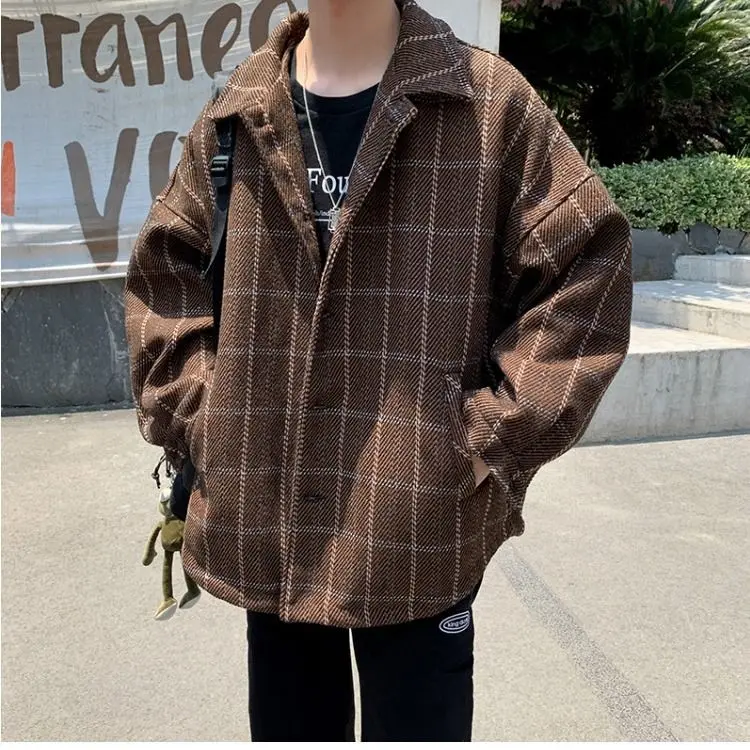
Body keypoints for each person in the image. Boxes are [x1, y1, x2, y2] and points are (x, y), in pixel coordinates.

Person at [124, 0, 633, 741]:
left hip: (416, 522)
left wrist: (484, 438)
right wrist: (213, 420)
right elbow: (163, 277)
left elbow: (586, 266)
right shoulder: (239, 111)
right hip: (273, 515)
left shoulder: (488, 105)